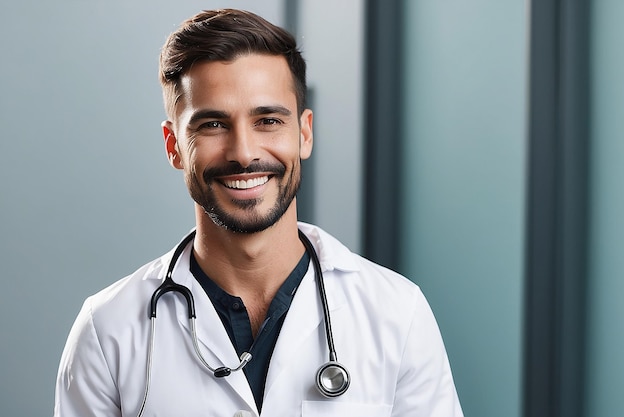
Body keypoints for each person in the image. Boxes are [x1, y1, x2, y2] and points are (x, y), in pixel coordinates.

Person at [54, 8, 463, 417]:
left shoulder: (397, 314)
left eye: (267, 120)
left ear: (304, 133)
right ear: (173, 145)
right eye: (213, 124)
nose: (244, 153)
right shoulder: (107, 332)